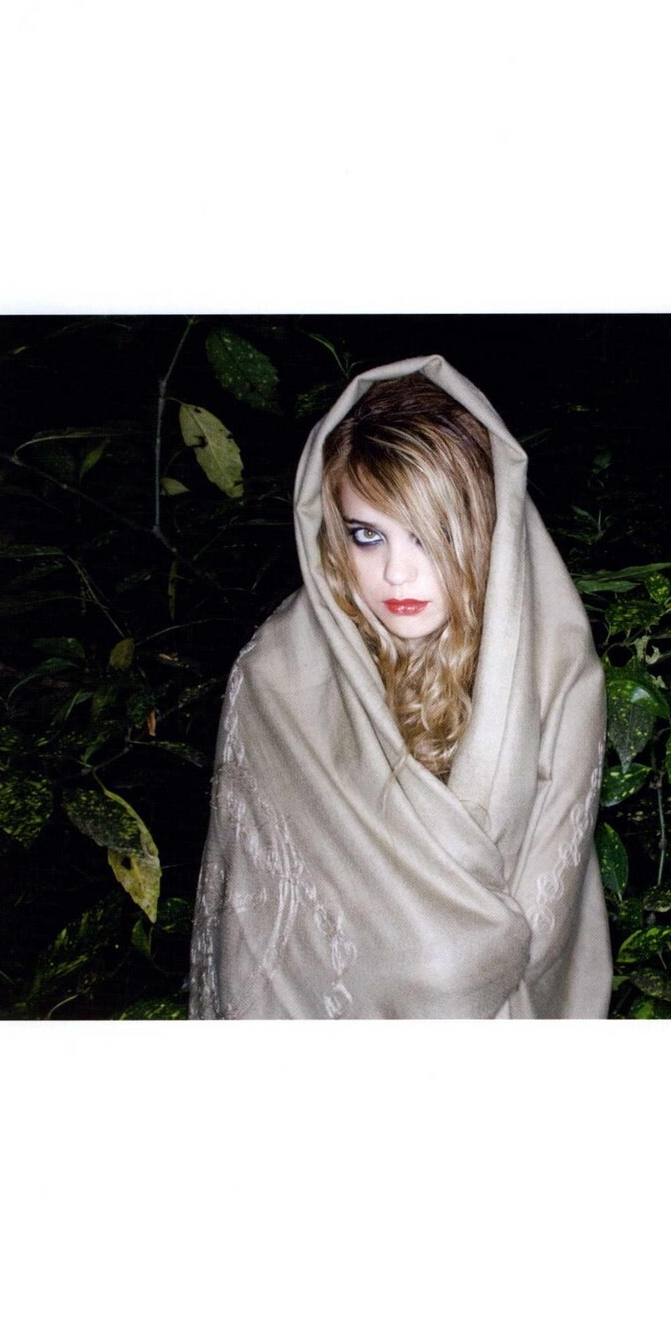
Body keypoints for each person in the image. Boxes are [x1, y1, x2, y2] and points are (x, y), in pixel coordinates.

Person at [188, 354, 611, 1019]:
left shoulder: (554, 670)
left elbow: (548, 916)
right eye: (366, 535)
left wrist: (449, 971)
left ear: (489, 529)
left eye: (431, 534)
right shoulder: (278, 677)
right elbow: (262, 934)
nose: (395, 573)